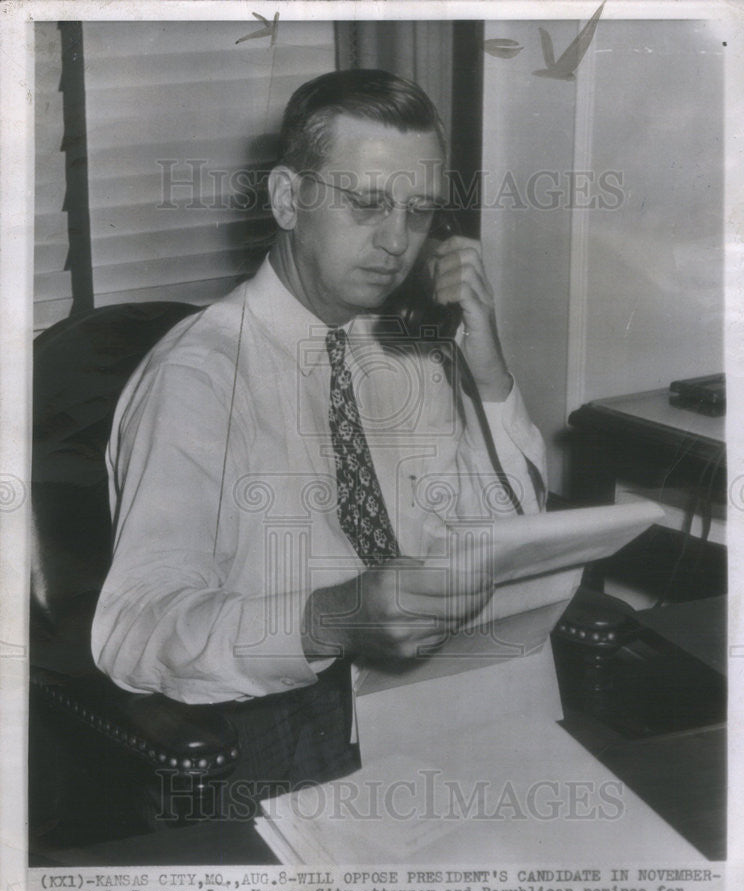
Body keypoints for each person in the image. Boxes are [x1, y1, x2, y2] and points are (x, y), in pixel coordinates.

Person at [91, 69, 548, 796]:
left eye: (420, 210)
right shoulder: (197, 379)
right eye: (366, 203)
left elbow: (511, 542)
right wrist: (334, 619)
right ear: (285, 198)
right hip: (285, 712)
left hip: (443, 689)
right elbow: (135, 633)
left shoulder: (411, 351)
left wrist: (486, 373)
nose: (396, 241)